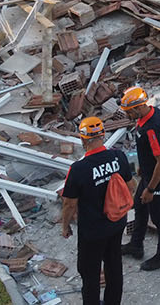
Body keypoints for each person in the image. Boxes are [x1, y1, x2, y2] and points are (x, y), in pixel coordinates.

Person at [60, 117, 135, 305]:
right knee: (113, 265)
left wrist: (65, 226)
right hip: (116, 222)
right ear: (103, 135)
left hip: (92, 231)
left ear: (83, 139)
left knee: (90, 273)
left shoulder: (78, 169)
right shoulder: (118, 157)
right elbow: (130, 186)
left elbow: (69, 203)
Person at [120, 85, 160, 270]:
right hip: (149, 173)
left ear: (137, 108)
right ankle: (136, 245)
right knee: (140, 207)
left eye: (129, 112)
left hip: (158, 178)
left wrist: (151, 189)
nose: (128, 116)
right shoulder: (153, 113)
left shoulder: (151, 128)